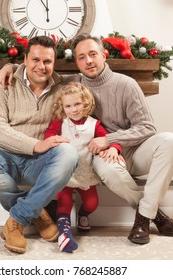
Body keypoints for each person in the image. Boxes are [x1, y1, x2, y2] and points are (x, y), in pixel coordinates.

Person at [0, 34, 173, 245]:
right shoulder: (71, 82)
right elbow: (38, 69)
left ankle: (146, 213)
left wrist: (111, 140)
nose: (88, 61)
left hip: (132, 151)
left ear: (104, 55)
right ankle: (149, 215)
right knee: (110, 172)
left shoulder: (126, 85)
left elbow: (147, 127)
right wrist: (10, 66)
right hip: (100, 155)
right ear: (76, 62)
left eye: (93, 54)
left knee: (170, 141)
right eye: (81, 57)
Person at [0, 36, 79, 254]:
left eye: (47, 61)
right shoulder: (2, 83)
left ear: (54, 62)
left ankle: (17, 219)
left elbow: (92, 78)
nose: (41, 66)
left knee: (69, 153)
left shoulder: (64, 88)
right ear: (25, 59)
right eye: (35, 60)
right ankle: (37, 214)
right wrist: (35, 144)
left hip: (40, 163)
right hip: (4, 156)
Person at [45, 82, 124, 253]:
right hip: (65, 172)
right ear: (62, 107)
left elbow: (109, 139)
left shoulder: (93, 124)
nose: (73, 109)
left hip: (85, 173)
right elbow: (49, 134)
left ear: (86, 103)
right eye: (68, 106)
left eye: (77, 104)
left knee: (92, 203)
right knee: (64, 202)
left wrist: (113, 148)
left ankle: (83, 215)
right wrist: (55, 140)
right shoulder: (61, 122)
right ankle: (64, 234)